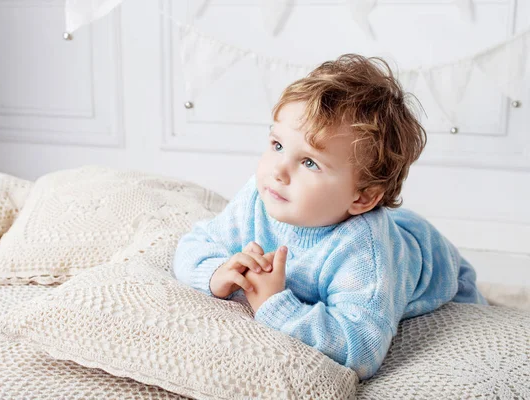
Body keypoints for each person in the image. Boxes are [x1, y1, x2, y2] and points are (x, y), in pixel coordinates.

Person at [172, 53, 488, 380]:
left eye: (309, 162)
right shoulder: (259, 194)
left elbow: (362, 349)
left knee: (477, 334)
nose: (278, 171)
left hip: (436, 266)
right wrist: (216, 273)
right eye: (277, 144)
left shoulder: (365, 251)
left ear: (362, 197)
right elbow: (196, 242)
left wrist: (275, 305)